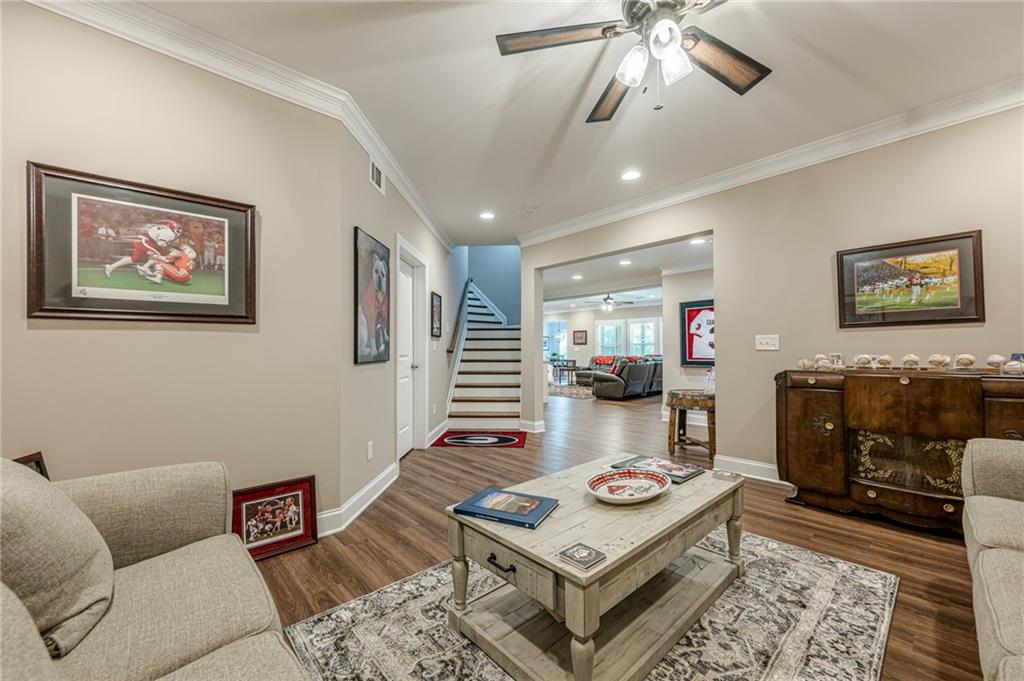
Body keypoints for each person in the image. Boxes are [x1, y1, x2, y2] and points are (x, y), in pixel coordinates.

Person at [103, 220, 182, 278]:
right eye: (177, 228)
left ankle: (111, 267)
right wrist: (170, 248)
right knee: (158, 255)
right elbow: (160, 243)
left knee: (134, 259)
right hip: (144, 241)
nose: (179, 230)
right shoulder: (169, 233)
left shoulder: (164, 228)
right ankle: (143, 268)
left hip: (141, 239)